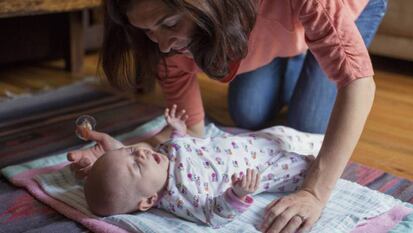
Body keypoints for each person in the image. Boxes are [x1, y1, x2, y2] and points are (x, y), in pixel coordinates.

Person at [71, 0, 388, 232]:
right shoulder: (163, 44)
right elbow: (192, 134)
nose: (164, 44)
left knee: (310, 123)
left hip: (349, 8)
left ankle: (310, 41)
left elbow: (358, 84)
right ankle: (298, 45)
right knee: (247, 111)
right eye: (148, 31)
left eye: (169, 24)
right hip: (265, 20)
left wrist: (314, 192)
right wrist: (120, 157)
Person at [83, 106, 315, 229]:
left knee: (285, 134)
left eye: (131, 151)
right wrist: (237, 194)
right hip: (260, 167)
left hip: (248, 143)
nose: (141, 153)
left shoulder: (160, 158)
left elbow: (181, 147)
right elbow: (213, 214)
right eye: (136, 166)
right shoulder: (182, 196)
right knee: (307, 166)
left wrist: (178, 132)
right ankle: (314, 165)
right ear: (148, 200)